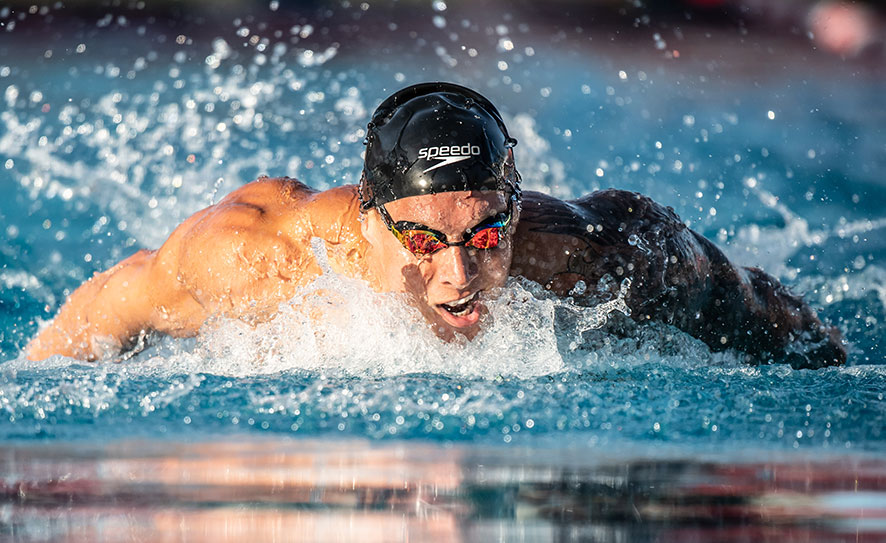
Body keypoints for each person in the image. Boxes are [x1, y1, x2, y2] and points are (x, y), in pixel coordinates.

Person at [25, 82, 846, 368]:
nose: (456, 277)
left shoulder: (584, 254)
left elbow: (744, 295)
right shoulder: (263, 260)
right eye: (421, 241)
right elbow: (108, 306)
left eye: (484, 238)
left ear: (514, 217)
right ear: (374, 220)